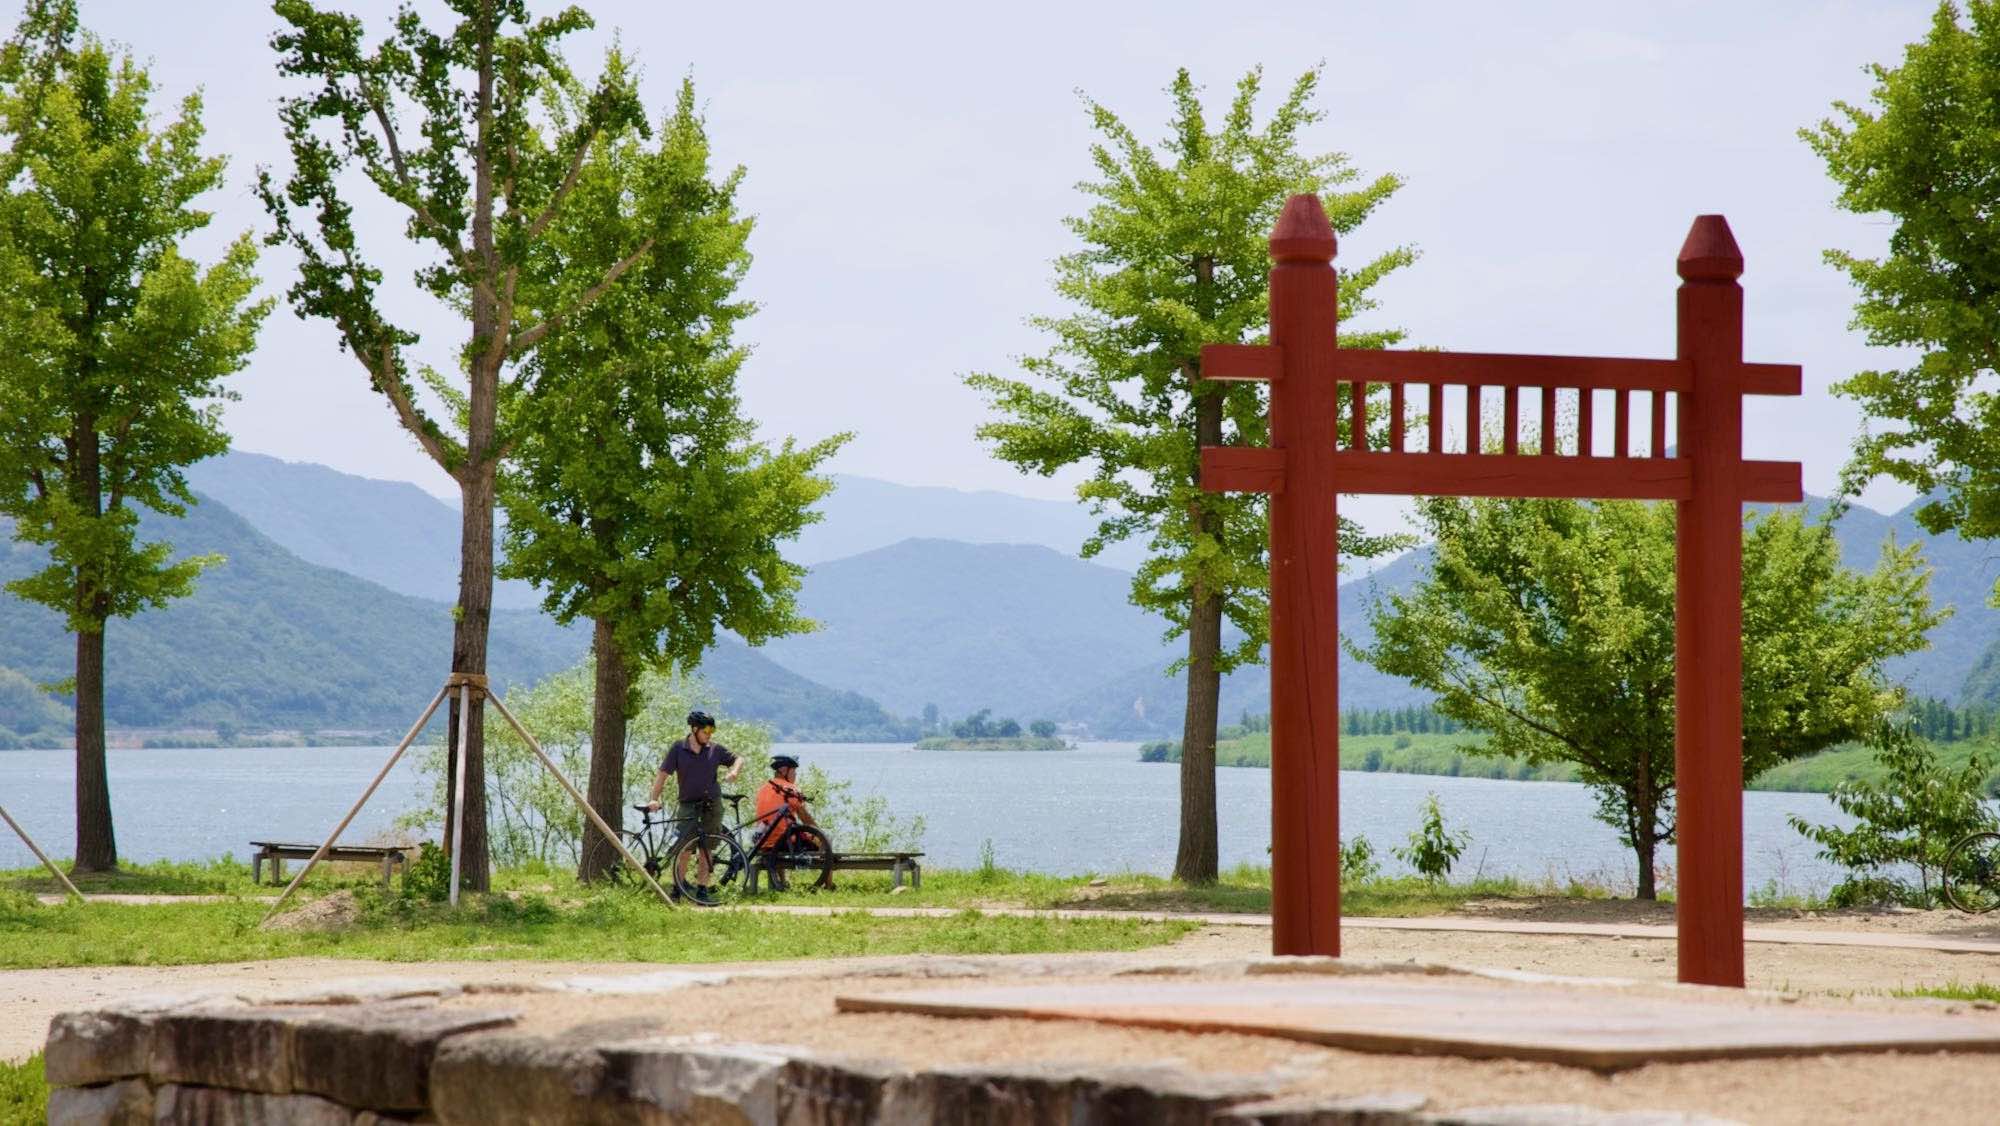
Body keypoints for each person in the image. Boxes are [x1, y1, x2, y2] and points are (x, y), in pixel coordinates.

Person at [645, 709, 741, 900]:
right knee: (684, 849)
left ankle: (702, 890)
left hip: (712, 804)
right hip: (688, 804)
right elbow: (662, 775)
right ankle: (677, 888)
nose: (709, 735)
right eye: (706, 731)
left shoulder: (714, 749)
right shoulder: (678, 749)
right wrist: (654, 798)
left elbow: (738, 758)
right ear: (695, 729)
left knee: (707, 849)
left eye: (711, 731)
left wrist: (735, 771)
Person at [754, 755, 819, 890]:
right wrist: (818, 832)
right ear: (784, 770)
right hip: (784, 842)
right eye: (794, 771)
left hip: (763, 841)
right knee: (824, 840)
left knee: (781, 832)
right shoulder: (790, 788)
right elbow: (805, 818)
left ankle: (782, 881)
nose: (795, 775)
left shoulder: (763, 788)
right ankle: (828, 884)